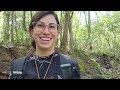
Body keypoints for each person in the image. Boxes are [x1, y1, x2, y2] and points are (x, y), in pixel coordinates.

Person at [9, 11, 80, 79]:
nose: (46, 32)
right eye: (40, 25)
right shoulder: (18, 67)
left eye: (52, 26)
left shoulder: (69, 66)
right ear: (31, 31)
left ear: (58, 32)